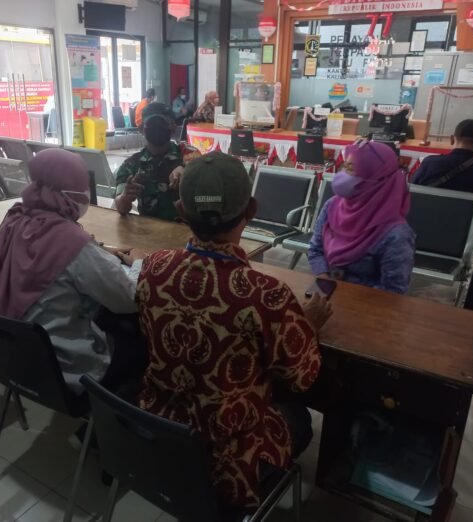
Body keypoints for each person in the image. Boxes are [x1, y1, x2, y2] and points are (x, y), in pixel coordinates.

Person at [137, 152, 331, 508]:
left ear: (181, 210)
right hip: (227, 462)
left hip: (157, 434)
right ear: (251, 210)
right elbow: (302, 377)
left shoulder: (153, 267)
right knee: (299, 416)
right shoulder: (266, 295)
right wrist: (307, 326)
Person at [0, 148, 147, 393]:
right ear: (70, 193)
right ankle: (123, 409)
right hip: (69, 370)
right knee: (143, 340)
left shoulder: (13, 220)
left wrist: (97, 251)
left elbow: (50, 251)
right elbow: (130, 298)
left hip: (18, 357)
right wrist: (139, 262)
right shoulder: (72, 243)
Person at [308, 140, 415, 294]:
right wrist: (324, 280)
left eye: (351, 168)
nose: (342, 174)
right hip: (328, 292)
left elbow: (393, 291)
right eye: (344, 166)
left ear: (374, 178)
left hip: (367, 303)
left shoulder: (396, 235)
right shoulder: (333, 205)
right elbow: (315, 249)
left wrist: (348, 297)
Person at [114, 102, 200, 221]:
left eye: (163, 124)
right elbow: (121, 208)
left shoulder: (188, 154)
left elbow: (206, 182)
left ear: (174, 128)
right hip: (148, 229)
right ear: (141, 129)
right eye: (152, 124)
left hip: (184, 228)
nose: (157, 128)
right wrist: (125, 197)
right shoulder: (132, 164)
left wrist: (187, 171)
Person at [411, 119, 473, 212]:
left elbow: (413, 189)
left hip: (424, 217)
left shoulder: (430, 163)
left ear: (452, 139)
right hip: (463, 221)